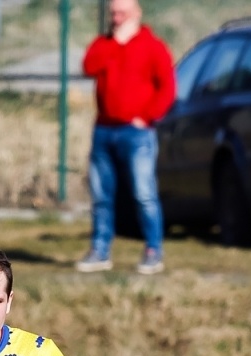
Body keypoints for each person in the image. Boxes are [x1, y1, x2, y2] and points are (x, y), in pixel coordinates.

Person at [79, 0, 174, 276]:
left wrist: (147, 117)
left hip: (137, 133)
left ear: (136, 14)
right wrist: (114, 44)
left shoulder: (152, 46)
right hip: (104, 130)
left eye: (122, 13)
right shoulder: (105, 43)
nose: (116, 19)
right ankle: (100, 250)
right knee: (101, 195)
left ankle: (153, 250)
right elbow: (89, 66)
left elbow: (167, 87)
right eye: (113, 14)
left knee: (144, 194)